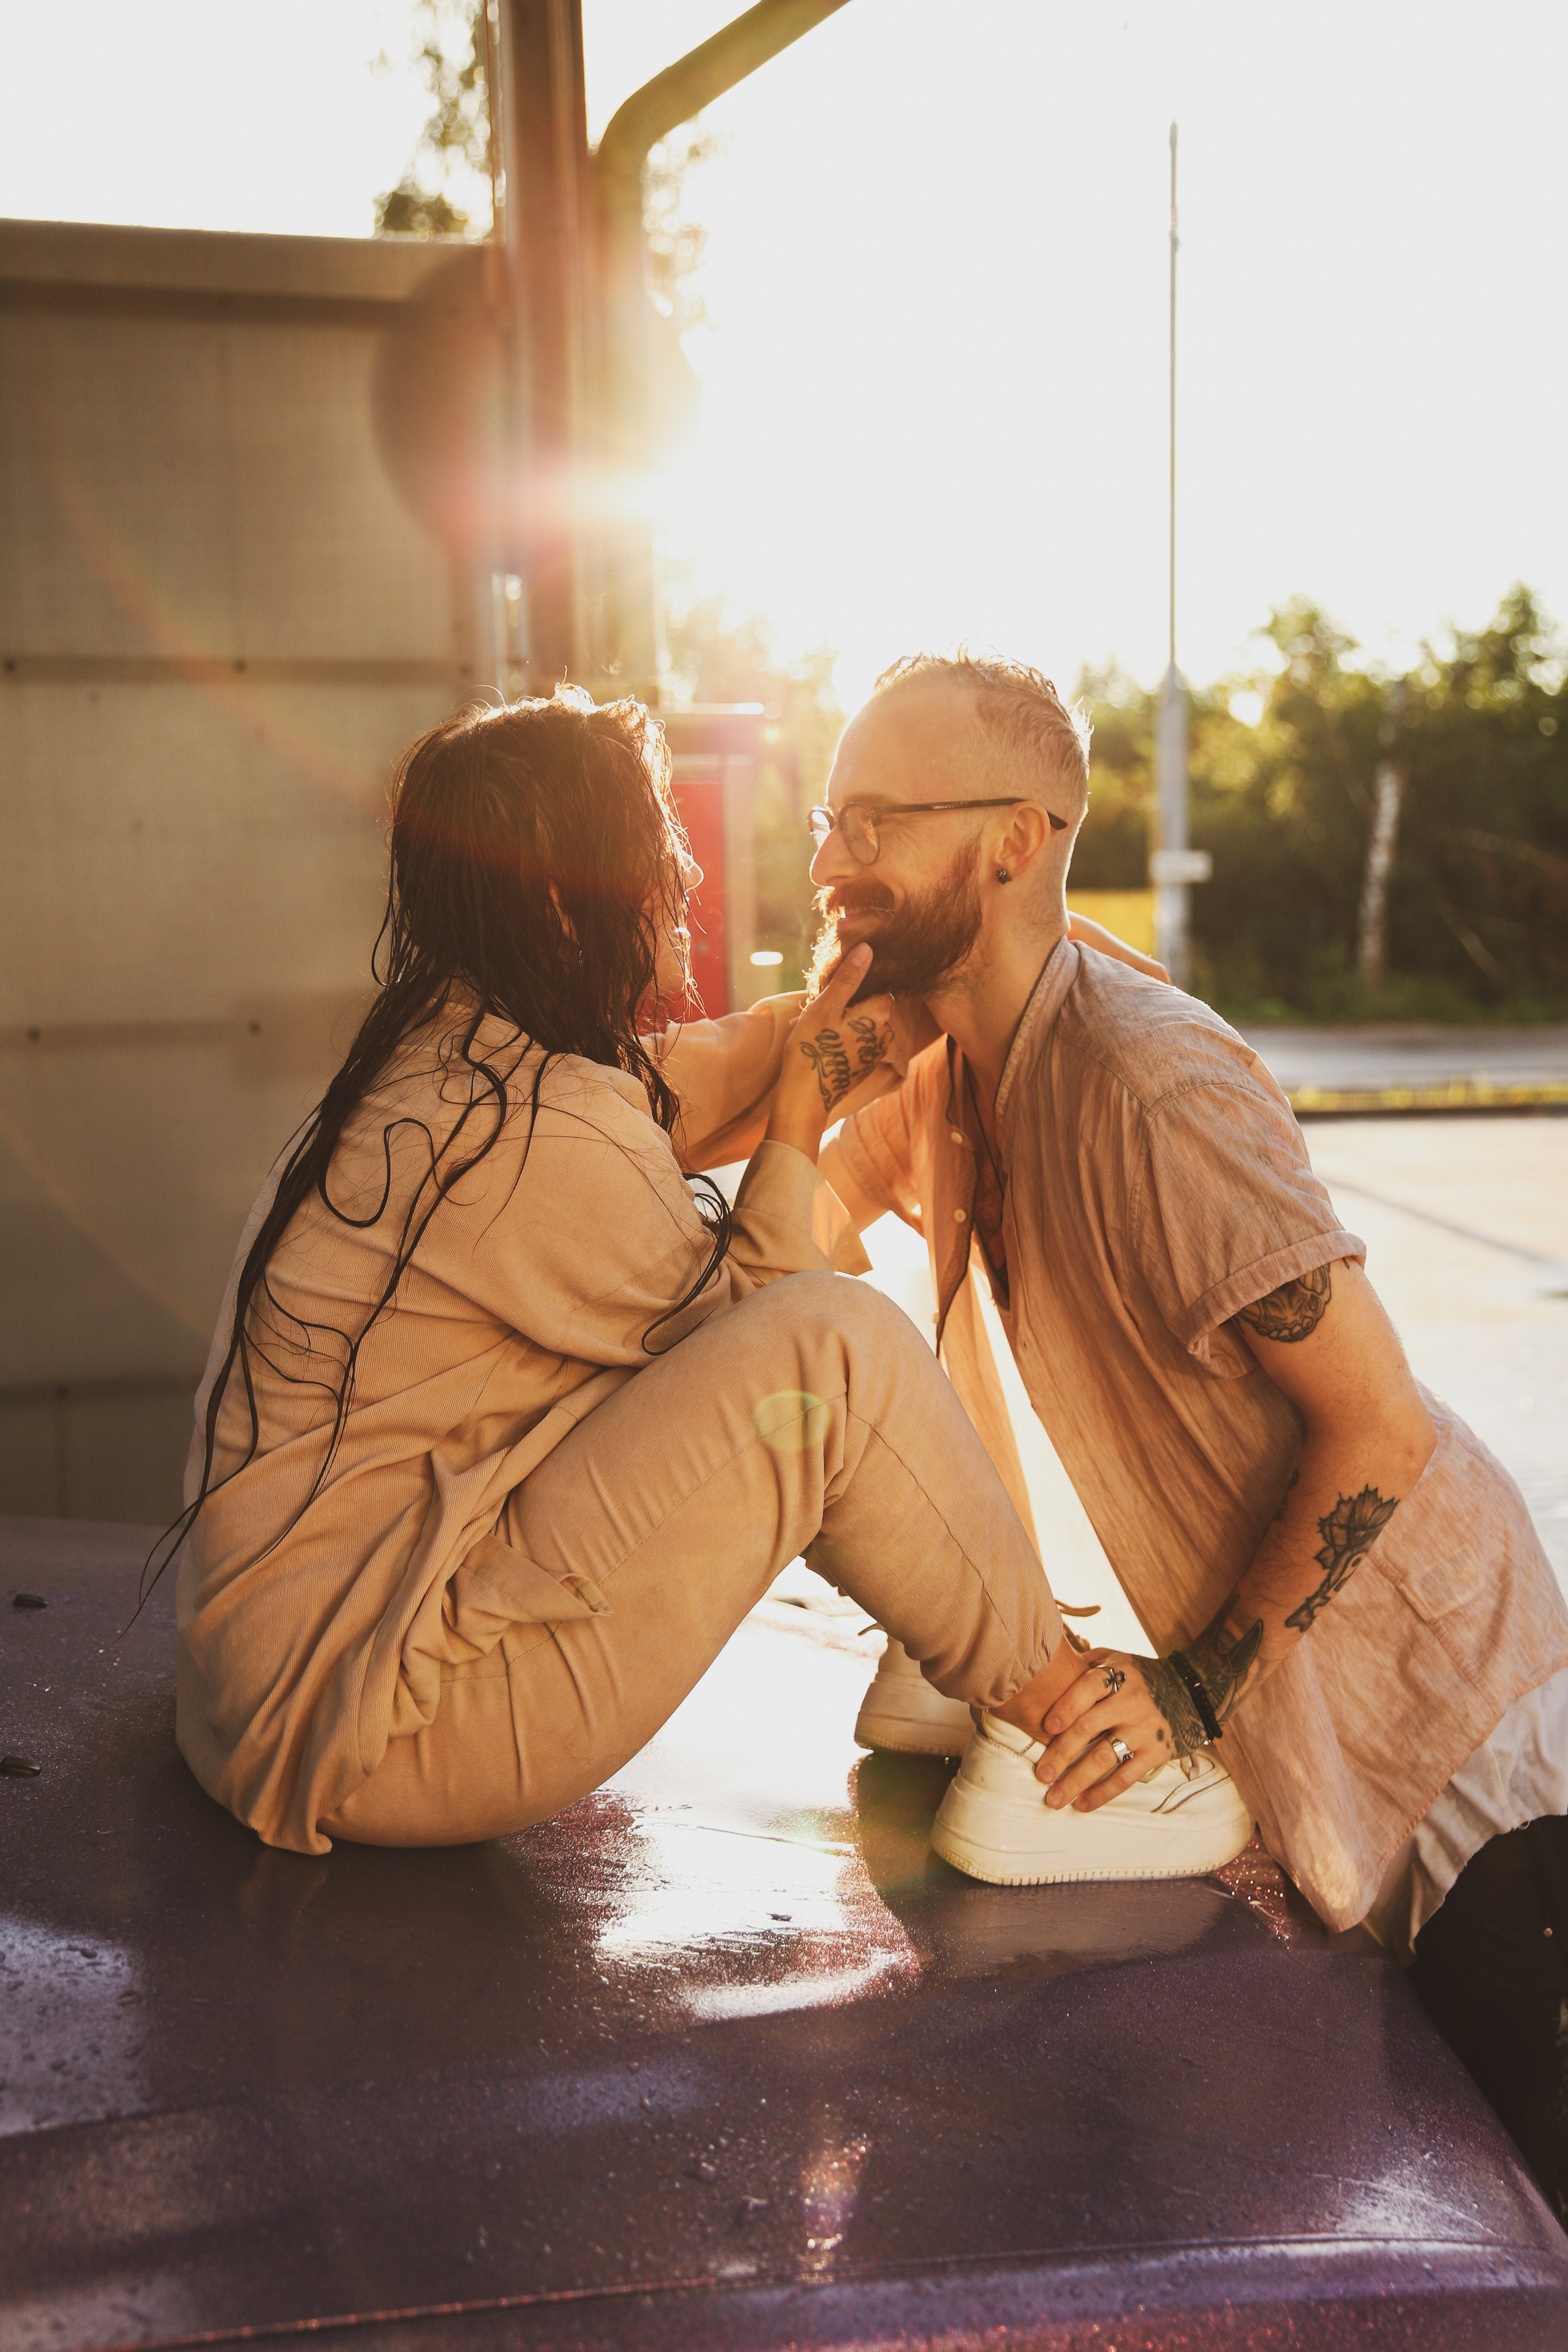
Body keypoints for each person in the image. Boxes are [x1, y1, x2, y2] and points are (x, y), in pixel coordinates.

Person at [170, 685, 1250, 1879]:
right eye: (652, 843)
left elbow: (732, 1063)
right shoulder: (526, 1128)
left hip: (281, 1686)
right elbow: (770, 1390)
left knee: (818, 1330)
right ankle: (1070, 1741)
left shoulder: (471, 1050)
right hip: (386, 1726)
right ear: (556, 893)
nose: (683, 874)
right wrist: (798, 1120)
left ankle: (951, 1653)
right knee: (834, 1347)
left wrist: (1031, 961)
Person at [809, 652, 1568, 2208]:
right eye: (829, 821)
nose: (829, 863)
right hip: (1317, 1751)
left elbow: (1375, 1423)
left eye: (872, 823)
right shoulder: (957, 1071)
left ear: (1012, 841)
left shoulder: (1145, 1089)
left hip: (1458, 1755)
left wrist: (1191, 1688)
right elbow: (785, 1248)